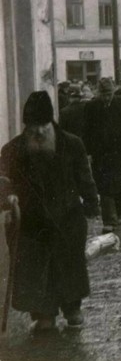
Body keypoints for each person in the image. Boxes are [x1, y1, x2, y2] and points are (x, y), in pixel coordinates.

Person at [0, 91, 99, 331]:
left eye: (43, 125)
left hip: (67, 217)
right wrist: (7, 195)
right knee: (35, 269)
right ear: (26, 125)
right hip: (31, 222)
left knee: (68, 265)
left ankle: (73, 309)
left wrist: (91, 204)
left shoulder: (71, 143)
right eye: (33, 126)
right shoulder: (12, 149)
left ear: (51, 122)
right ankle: (44, 315)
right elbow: (2, 179)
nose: (39, 132)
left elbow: (84, 178)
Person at [83, 77, 121, 233]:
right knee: (104, 186)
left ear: (114, 91)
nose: (107, 97)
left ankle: (118, 216)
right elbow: (86, 131)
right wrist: (89, 152)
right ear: (98, 93)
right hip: (101, 155)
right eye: (104, 94)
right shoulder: (91, 106)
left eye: (109, 94)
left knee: (120, 186)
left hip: (120, 153)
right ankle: (109, 219)